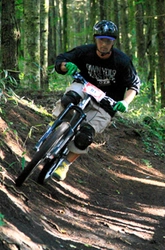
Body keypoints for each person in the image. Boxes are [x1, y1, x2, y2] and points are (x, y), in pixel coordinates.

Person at [52, 20, 141, 181]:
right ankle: (56, 131)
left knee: (84, 136)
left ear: (113, 42)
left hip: (106, 103)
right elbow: (61, 60)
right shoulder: (85, 52)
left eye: (108, 41)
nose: (104, 44)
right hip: (84, 88)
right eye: (101, 40)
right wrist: (66, 66)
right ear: (95, 39)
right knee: (69, 99)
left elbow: (133, 85)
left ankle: (65, 164)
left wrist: (125, 102)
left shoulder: (122, 61)